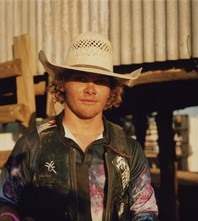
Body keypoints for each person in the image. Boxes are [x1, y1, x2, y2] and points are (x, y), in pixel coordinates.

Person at [0, 32, 158, 221]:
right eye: (81, 78)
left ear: (111, 91)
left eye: (100, 81)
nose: (90, 89)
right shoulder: (32, 146)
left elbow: (145, 210)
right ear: (62, 84)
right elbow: (6, 202)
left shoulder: (128, 150)